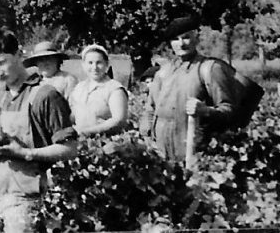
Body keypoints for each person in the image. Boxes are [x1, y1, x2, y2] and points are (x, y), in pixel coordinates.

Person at [0, 29, 78, 233]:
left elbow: (70, 149)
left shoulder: (45, 95)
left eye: (2, 62)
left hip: (25, 199)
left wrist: (26, 153)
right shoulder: (1, 97)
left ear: (19, 55)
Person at [142, 15, 239, 161]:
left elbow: (230, 111)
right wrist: (146, 138)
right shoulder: (163, 72)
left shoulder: (209, 69)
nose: (181, 44)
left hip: (193, 153)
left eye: (186, 37)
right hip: (161, 154)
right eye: (175, 39)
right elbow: (150, 109)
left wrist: (205, 110)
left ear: (197, 38)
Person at [68, 44, 129, 137]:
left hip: (106, 143)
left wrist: (86, 132)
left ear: (106, 64)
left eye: (99, 62)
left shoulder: (114, 89)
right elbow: (72, 116)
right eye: (90, 63)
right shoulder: (79, 88)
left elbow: (118, 120)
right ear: (83, 65)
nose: (94, 67)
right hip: (80, 141)